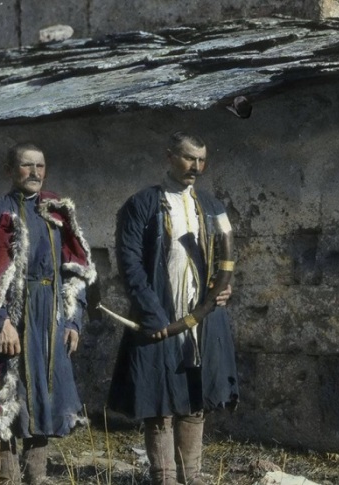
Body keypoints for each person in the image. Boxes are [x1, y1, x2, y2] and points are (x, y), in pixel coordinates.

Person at [0, 142, 96, 484]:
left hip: (49, 315)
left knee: (45, 390)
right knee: (8, 392)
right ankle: (8, 477)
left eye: (40, 166)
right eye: (26, 165)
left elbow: (75, 270)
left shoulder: (56, 211)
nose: (35, 173)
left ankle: (37, 475)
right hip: (13, 317)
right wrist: (1, 323)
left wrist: (73, 321)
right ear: (10, 170)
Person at [108, 132, 239, 485]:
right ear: (169, 157)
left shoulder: (210, 205)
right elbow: (130, 263)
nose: (196, 166)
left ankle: (191, 476)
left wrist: (223, 290)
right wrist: (152, 312)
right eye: (188, 158)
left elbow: (224, 261)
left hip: (203, 316)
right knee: (159, 399)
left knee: (195, 396)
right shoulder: (142, 204)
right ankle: (164, 477)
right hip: (159, 313)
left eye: (201, 160)